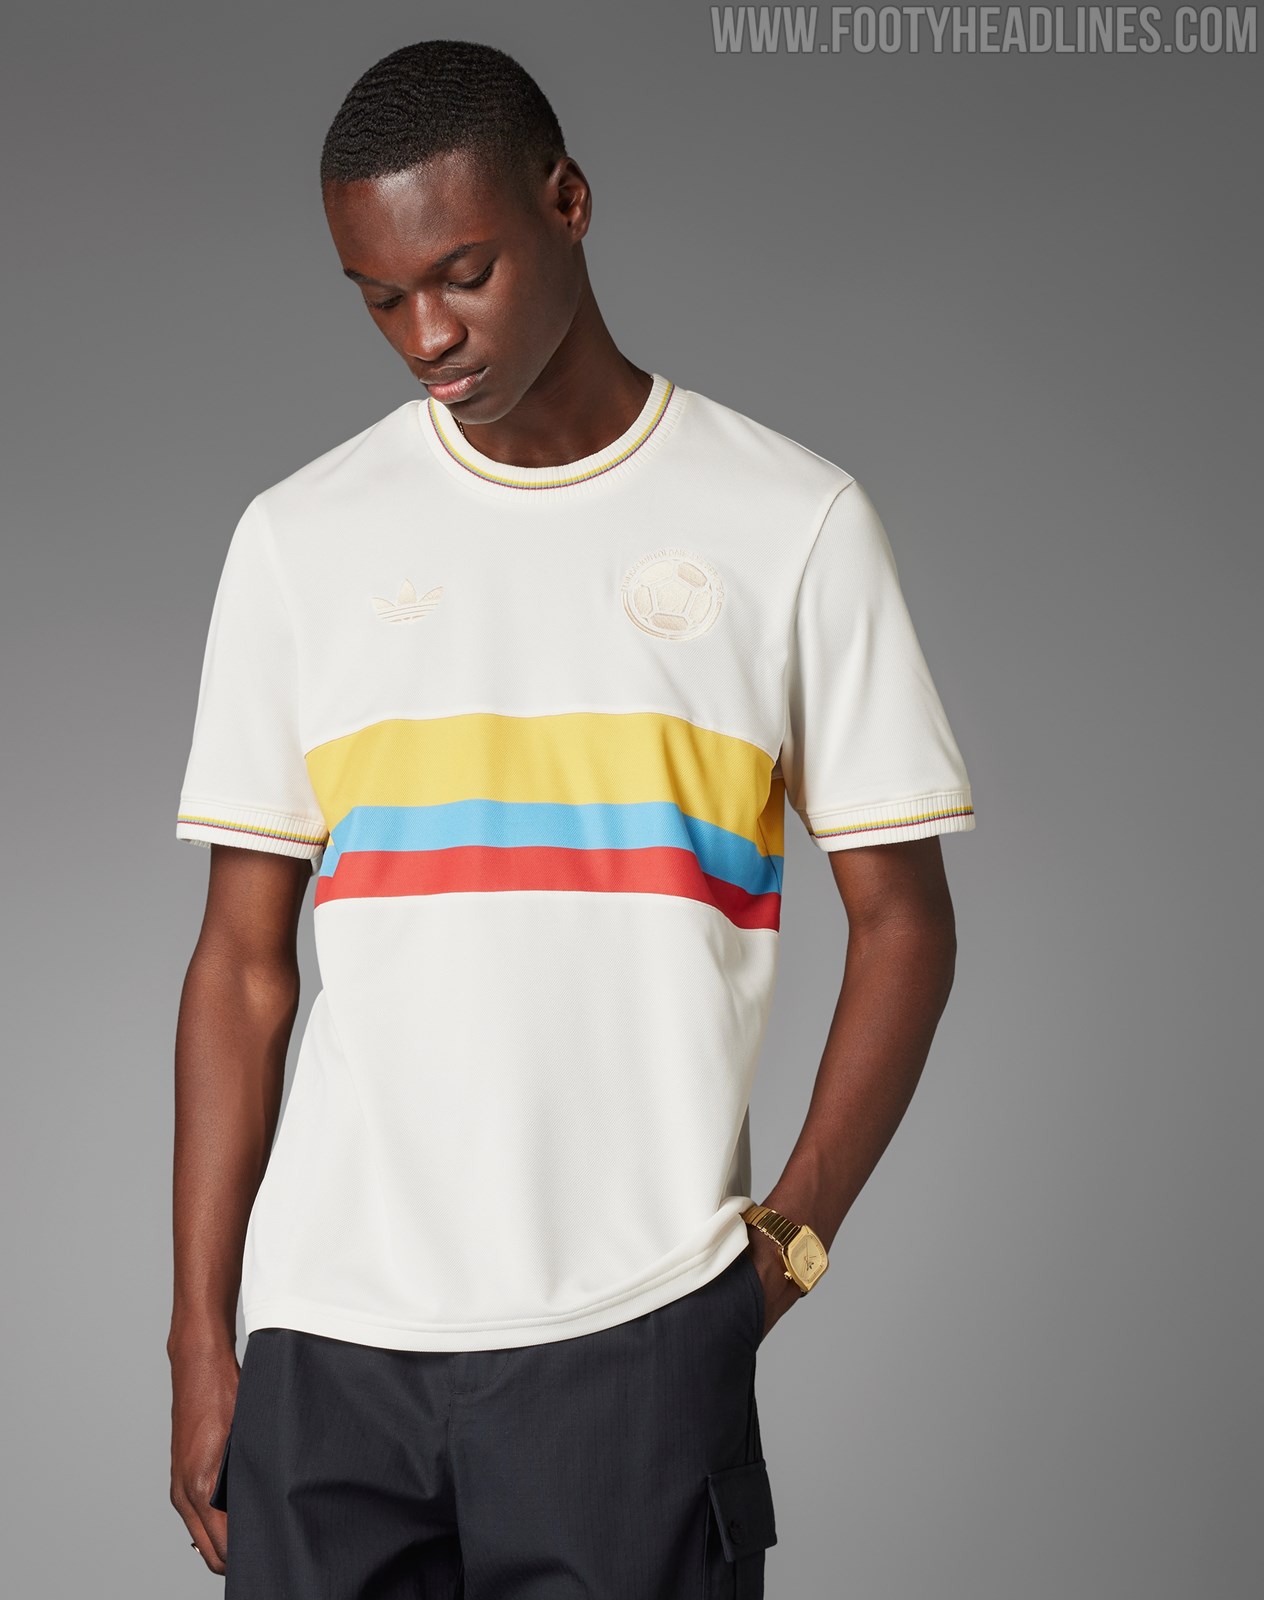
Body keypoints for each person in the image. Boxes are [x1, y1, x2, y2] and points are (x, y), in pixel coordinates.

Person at [167, 37, 974, 1599]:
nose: (427, 335)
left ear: (569, 201)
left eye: (461, 275)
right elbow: (243, 969)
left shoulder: (790, 523)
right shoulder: (299, 540)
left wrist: (786, 1251)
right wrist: (204, 1337)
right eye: (379, 298)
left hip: (637, 1337)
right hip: (327, 1348)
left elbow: (907, 925)